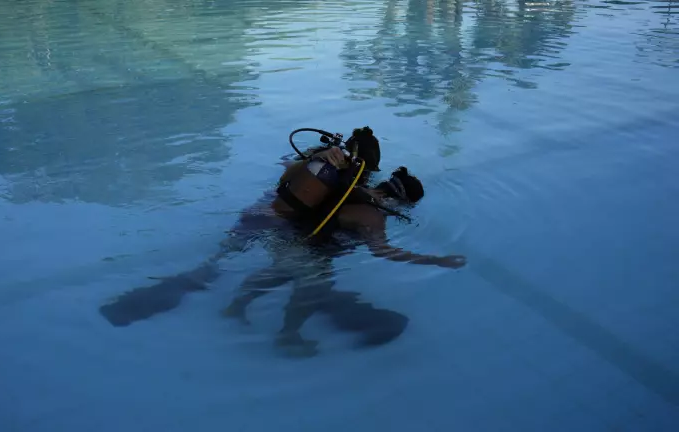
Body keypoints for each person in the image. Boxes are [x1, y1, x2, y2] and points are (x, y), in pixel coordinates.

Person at [99, 127, 466, 355]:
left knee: (269, 269)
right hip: (295, 240)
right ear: (401, 202)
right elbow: (383, 251)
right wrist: (436, 261)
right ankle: (289, 336)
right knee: (312, 284)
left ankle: (233, 306)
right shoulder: (373, 214)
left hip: (268, 220)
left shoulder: (344, 181)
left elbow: (286, 177)